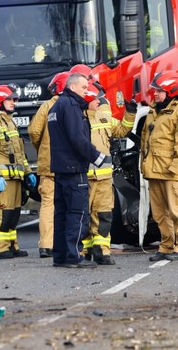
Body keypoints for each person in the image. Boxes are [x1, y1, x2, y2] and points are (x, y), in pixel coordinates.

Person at [76, 67, 138, 266]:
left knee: (104, 214)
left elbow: (121, 130)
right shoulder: (77, 117)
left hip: (103, 176)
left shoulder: (103, 116)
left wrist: (130, 112)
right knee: (84, 215)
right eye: (96, 97)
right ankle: (84, 251)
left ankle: (102, 251)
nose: (100, 100)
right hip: (84, 175)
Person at [47, 73, 109, 268]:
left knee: (62, 214)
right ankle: (74, 256)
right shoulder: (71, 106)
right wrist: (98, 157)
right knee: (77, 213)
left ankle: (61, 256)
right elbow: (77, 138)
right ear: (72, 87)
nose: (86, 91)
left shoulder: (56, 106)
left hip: (60, 169)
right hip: (74, 169)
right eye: (83, 88)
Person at [140, 71, 178, 261]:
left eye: (159, 91)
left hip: (172, 173)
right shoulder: (154, 110)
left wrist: (175, 168)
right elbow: (145, 140)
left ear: (170, 91)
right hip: (155, 170)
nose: (154, 94)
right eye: (154, 91)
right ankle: (166, 246)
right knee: (160, 213)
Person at [0, 85, 37, 260]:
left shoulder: (11, 122)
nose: (14, 102)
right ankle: (1, 248)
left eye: (15, 100)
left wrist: (28, 172)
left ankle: (12, 246)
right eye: (10, 99)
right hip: (2, 179)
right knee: (2, 213)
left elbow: (20, 153)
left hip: (16, 178)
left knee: (13, 214)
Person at [28, 71, 70, 258]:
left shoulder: (46, 106)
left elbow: (34, 132)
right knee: (71, 204)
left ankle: (46, 245)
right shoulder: (72, 105)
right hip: (69, 165)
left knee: (48, 204)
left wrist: (43, 148)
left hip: (48, 164)